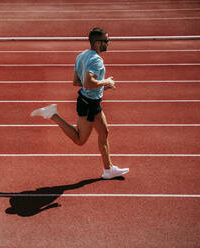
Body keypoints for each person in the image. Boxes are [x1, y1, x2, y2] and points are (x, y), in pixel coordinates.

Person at [31, 27, 129, 179]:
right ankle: (52, 114)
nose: (108, 43)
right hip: (88, 104)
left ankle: (108, 170)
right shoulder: (96, 60)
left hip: (93, 102)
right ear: (97, 43)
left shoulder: (81, 56)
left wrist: (103, 86)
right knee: (79, 140)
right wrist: (105, 81)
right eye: (106, 41)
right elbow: (88, 83)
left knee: (104, 132)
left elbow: (77, 82)